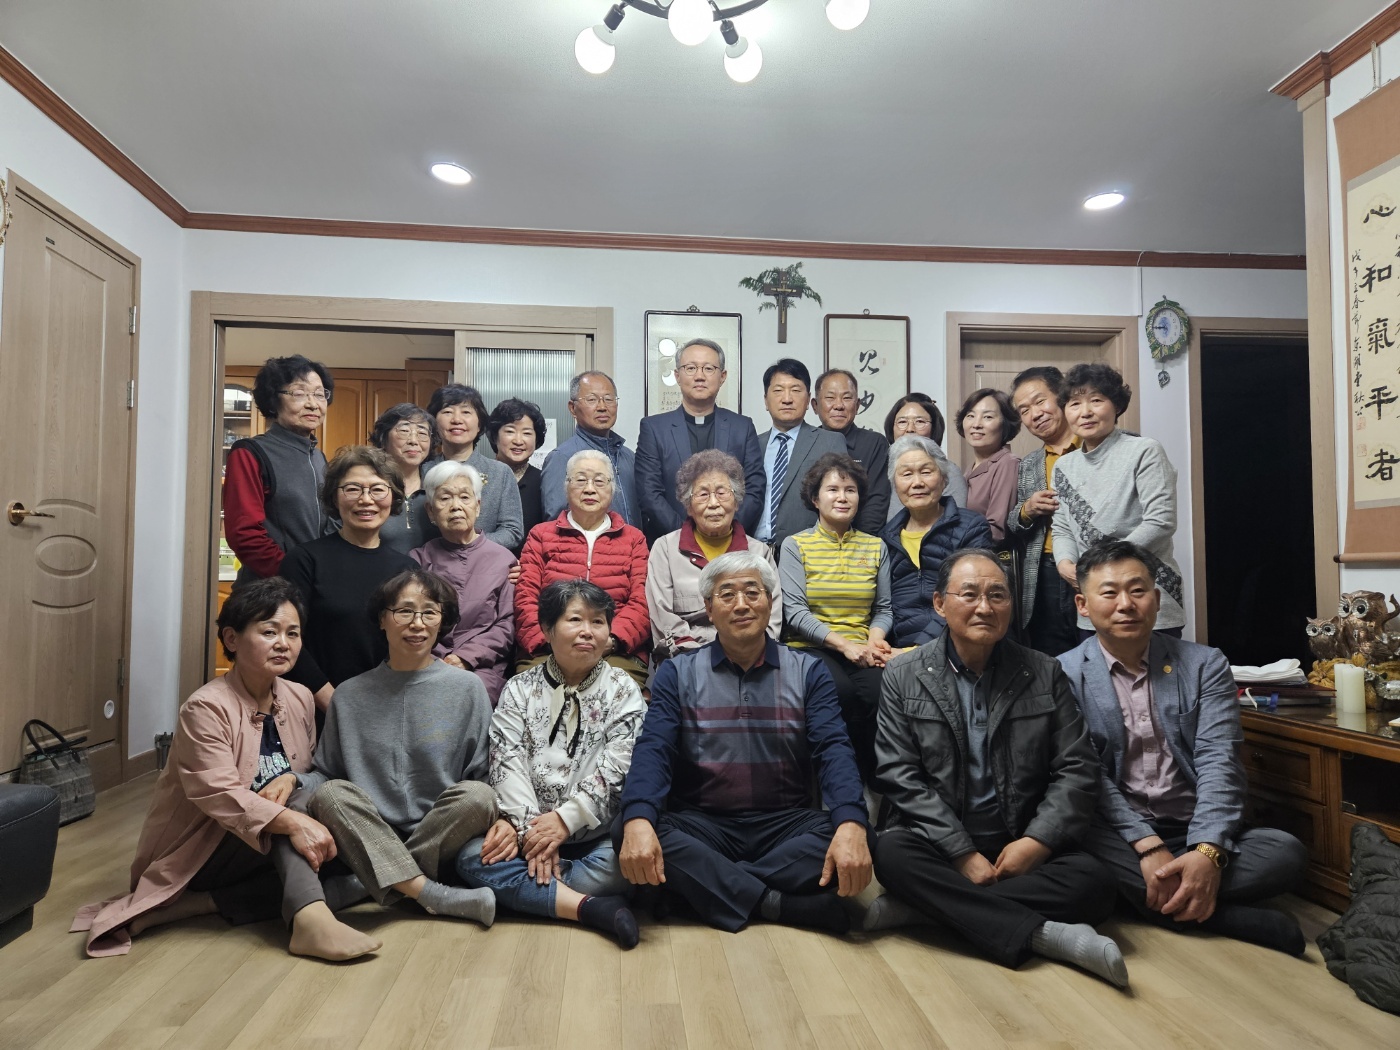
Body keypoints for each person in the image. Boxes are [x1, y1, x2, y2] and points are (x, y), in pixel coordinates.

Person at [73, 578, 377, 960]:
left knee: (347, 864)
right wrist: (294, 821)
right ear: (232, 639)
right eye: (269, 632)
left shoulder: (300, 697)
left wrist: (294, 786)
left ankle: (201, 905)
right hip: (206, 849)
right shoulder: (206, 708)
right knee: (296, 809)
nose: (284, 643)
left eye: (293, 633)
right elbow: (220, 795)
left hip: (266, 849)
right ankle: (310, 921)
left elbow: (315, 772)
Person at [867, 548, 1127, 988]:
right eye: (969, 594)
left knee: (1096, 882)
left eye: (997, 595)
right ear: (940, 603)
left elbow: (1077, 768)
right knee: (891, 853)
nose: (985, 607)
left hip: (1017, 839)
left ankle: (925, 908)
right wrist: (961, 853)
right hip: (939, 843)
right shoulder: (904, 673)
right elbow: (898, 774)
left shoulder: (1043, 671)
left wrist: (1037, 842)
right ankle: (1047, 936)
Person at [1059, 540, 1309, 954]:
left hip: (1191, 824)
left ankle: (1158, 899)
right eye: (1110, 593)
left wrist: (1206, 852)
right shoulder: (1063, 674)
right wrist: (1147, 844)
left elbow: (1219, 760)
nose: (1126, 604)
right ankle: (1219, 915)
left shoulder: (1204, 664)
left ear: (1157, 600)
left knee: (1285, 854)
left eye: (1137, 591)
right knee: (1078, 855)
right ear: (1083, 606)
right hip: (1117, 834)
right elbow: (1089, 775)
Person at [616, 551, 873, 934]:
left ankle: (701, 891)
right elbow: (655, 750)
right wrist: (638, 818)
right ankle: (778, 904)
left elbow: (833, 749)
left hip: (786, 825)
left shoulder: (808, 670)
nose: (741, 605)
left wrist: (851, 822)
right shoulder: (677, 672)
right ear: (708, 608)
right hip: (702, 825)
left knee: (859, 834)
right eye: (727, 595)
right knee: (631, 827)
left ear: (770, 601)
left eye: (753, 592)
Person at [300, 569, 499, 925]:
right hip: (370, 832)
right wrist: (294, 780)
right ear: (382, 619)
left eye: (429, 612)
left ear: (442, 621)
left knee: (480, 796)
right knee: (330, 795)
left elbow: (483, 774)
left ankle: (365, 883)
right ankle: (431, 894)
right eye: (404, 611)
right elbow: (326, 774)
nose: (417, 624)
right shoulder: (349, 694)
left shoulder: (467, 688)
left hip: (441, 830)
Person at [457, 580, 647, 948]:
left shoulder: (623, 689)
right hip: (527, 835)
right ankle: (588, 907)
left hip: (594, 838)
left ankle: (534, 894)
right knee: (469, 857)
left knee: (620, 868)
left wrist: (563, 821)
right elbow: (505, 760)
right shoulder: (519, 688)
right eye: (575, 619)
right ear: (547, 629)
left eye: (598, 622)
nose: (588, 631)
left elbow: (618, 768)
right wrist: (532, 834)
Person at [779, 453, 893, 783]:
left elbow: (884, 609)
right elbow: (795, 613)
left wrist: (875, 638)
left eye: (850, 490)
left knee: (882, 692)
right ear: (815, 499)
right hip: (810, 648)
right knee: (838, 691)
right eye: (832, 490)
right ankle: (835, 780)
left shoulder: (876, 547)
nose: (842, 497)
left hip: (862, 647)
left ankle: (874, 784)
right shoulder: (795, 545)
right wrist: (845, 646)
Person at [1051, 363, 1186, 636]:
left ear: (1117, 406)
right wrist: (1064, 564)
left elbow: (1160, 522)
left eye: (1096, 400)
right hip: (1096, 599)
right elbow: (1062, 527)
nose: (1085, 412)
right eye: (1074, 403)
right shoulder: (1064, 466)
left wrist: (1103, 566)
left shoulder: (1144, 451)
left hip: (1147, 594)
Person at [280, 446, 417, 712]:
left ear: (393, 497)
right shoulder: (304, 560)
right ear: (335, 497)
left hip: (386, 706)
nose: (366, 500)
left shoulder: (407, 569)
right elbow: (287, 640)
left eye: (378, 489)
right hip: (314, 707)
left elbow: (409, 643)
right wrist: (336, 704)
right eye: (353, 489)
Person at [516, 450, 651, 688]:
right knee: (534, 696)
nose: (589, 489)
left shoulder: (634, 539)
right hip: (548, 647)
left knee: (616, 696)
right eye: (580, 480)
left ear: (612, 489)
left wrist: (610, 640)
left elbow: (641, 601)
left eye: (599, 481)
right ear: (566, 486)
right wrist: (552, 639)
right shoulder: (541, 535)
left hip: (615, 650)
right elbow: (525, 596)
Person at [647, 450, 782, 662]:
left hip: (748, 660)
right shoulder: (665, 549)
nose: (713, 503)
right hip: (686, 659)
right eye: (702, 494)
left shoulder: (759, 553)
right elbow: (663, 619)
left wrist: (737, 658)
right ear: (688, 506)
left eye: (722, 493)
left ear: (736, 502)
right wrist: (706, 661)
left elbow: (771, 622)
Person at [636, 339, 765, 542]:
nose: (699, 376)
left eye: (708, 368)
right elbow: (649, 493)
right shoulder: (653, 428)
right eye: (690, 368)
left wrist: (724, 531)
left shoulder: (742, 427)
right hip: (672, 544)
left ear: (722, 377)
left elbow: (755, 489)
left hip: (731, 544)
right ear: (677, 376)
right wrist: (687, 537)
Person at [409, 461, 516, 705]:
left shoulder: (503, 560)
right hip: (426, 663)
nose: (456, 506)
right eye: (445, 498)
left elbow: (506, 625)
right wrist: (436, 660)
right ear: (430, 511)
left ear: (478, 506)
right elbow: (411, 620)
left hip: (483, 668)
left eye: (464, 497)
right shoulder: (418, 560)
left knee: (471, 695)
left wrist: (466, 657)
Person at [223, 354, 335, 585]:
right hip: (271, 589)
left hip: (315, 585)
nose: (313, 404)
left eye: (319, 394)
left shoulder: (318, 457)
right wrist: (294, 574)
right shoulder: (251, 453)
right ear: (274, 400)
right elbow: (245, 535)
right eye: (299, 393)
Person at [879, 435, 994, 648]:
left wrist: (918, 650)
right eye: (906, 474)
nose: (917, 483)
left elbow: (973, 599)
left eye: (926, 472)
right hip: (898, 650)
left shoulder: (971, 527)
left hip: (960, 645)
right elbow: (882, 608)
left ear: (944, 479)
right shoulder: (885, 539)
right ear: (895, 484)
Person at [1007, 367, 1082, 656]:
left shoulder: (1096, 445)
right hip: (1045, 572)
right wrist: (1027, 509)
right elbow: (1013, 523)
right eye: (1024, 410)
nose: (1035, 414)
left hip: (1096, 564)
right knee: (1051, 657)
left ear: (1061, 397)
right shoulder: (1029, 464)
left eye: (1040, 401)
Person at [415, 384, 524, 551]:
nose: (457, 420)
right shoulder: (421, 470)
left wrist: (471, 545)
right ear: (434, 422)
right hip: (429, 561)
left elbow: (512, 531)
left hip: (484, 561)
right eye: (447, 412)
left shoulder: (500, 472)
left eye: (466, 412)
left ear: (479, 424)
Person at [754, 358, 847, 550]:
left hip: (809, 551)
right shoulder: (752, 444)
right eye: (778, 390)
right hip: (754, 551)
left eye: (796, 390)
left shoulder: (830, 442)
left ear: (808, 400)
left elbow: (840, 499)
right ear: (765, 400)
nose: (787, 399)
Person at [541, 371, 640, 529]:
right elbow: (556, 523)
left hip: (634, 544)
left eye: (609, 399)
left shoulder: (629, 457)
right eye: (592, 399)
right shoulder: (561, 457)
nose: (602, 407)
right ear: (572, 408)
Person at [812, 369, 891, 532]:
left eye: (847, 398)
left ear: (857, 405)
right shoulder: (807, 442)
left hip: (860, 539)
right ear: (815, 405)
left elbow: (876, 502)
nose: (838, 405)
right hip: (812, 539)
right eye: (830, 398)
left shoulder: (875, 443)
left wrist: (862, 542)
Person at [956, 388, 1021, 545]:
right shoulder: (970, 469)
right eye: (970, 416)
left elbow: (997, 531)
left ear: (1005, 424)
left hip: (984, 555)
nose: (976, 424)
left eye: (988, 417)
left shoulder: (1007, 463)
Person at [882, 392, 968, 508]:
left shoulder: (948, 471)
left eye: (920, 421)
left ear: (934, 428)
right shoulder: (880, 468)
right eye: (902, 422)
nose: (910, 429)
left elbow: (955, 515)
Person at [370, 403, 434, 554]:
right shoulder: (369, 488)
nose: (413, 440)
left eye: (422, 433)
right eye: (404, 431)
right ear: (383, 438)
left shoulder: (438, 488)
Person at [486, 397, 548, 546]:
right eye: (510, 431)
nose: (518, 441)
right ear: (495, 436)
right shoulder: (478, 477)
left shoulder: (544, 481)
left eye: (527, 433)